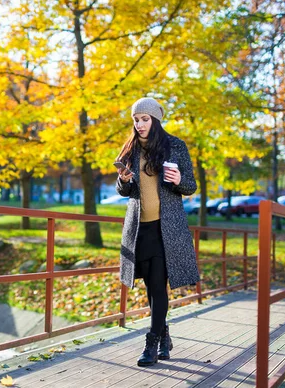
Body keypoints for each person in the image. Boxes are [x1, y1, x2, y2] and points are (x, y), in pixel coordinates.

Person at [116, 97, 200, 367]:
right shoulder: (130, 150)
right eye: (136, 119)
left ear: (155, 120)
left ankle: (151, 342)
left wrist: (179, 181)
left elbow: (190, 186)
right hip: (140, 228)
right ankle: (165, 336)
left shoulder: (175, 146)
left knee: (159, 286)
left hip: (168, 228)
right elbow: (125, 192)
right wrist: (123, 181)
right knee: (151, 286)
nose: (139, 124)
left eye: (144, 119)